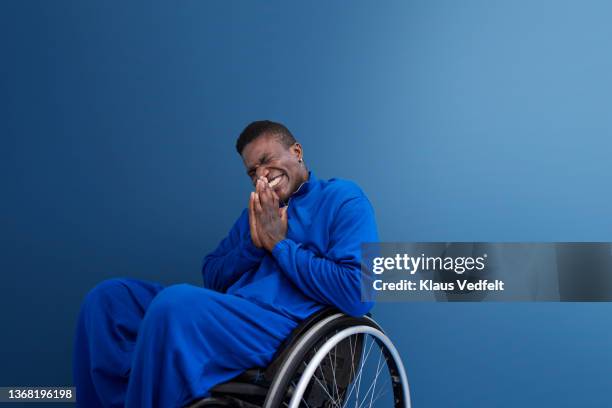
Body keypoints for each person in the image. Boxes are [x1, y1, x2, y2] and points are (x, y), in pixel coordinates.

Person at [73, 120, 378, 407]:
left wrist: (280, 245)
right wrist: (254, 246)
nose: (262, 174)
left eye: (267, 159)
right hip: (233, 314)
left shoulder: (344, 198)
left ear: (296, 152)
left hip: (284, 326)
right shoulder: (256, 211)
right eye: (252, 170)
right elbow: (213, 277)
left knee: (174, 305)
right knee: (108, 300)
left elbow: (358, 291)